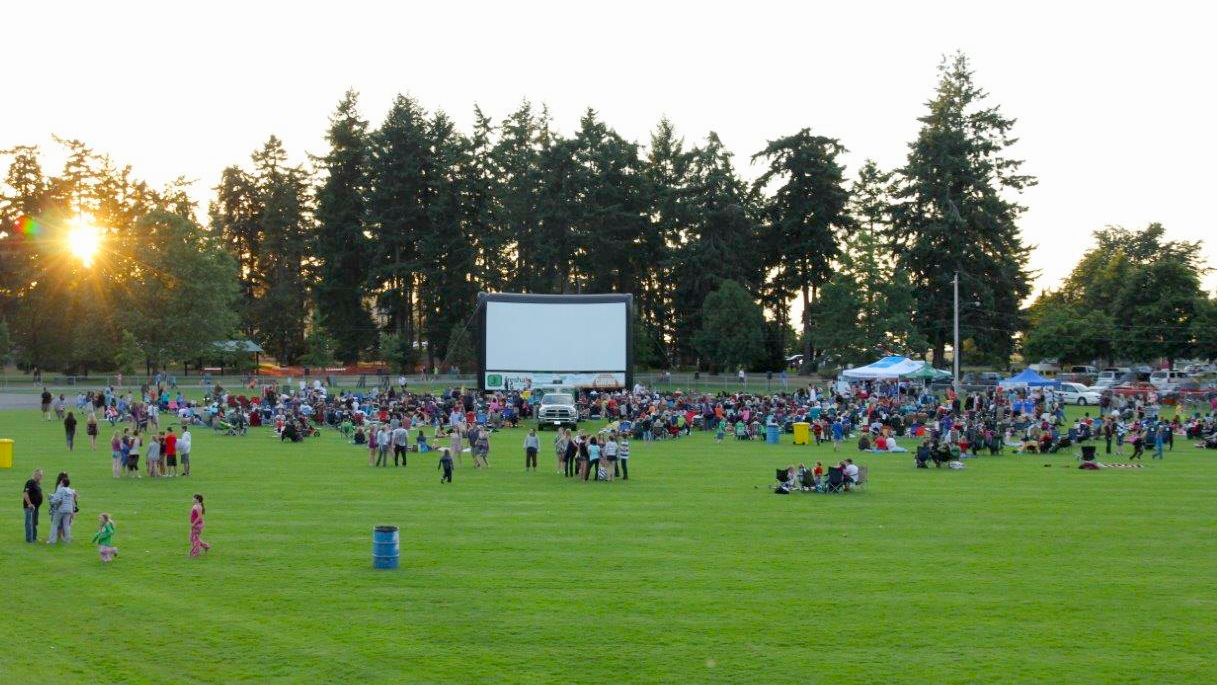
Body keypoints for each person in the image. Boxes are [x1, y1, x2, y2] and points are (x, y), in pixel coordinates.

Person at [47, 476, 77, 545]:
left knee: (54, 524)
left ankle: (52, 540)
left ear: (63, 483)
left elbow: (56, 499)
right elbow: (72, 501)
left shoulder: (60, 490)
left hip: (61, 509)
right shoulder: (71, 491)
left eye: (61, 482)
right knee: (66, 525)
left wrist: (50, 499)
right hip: (69, 510)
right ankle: (67, 540)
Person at [22, 469, 44, 542]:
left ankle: (34, 537)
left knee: (34, 522)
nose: (41, 477)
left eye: (42, 475)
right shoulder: (30, 482)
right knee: (29, 523)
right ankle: (29, 539)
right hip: (30, 507)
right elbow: (25, 493)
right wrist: (29, 504)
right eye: (40, 475)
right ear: (35, 475)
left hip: (36, 507)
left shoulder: (36, 483)